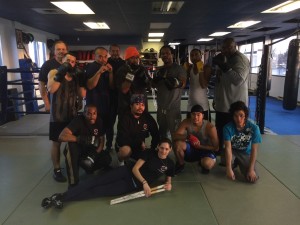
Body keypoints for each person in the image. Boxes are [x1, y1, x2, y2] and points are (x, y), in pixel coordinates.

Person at [41, 138, 174, 209]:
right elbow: (135, 169)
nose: (163, 151)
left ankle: (63, 198)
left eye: (166, 149)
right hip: (126, 172)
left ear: (170, 150)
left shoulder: (169, 163)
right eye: (161, 148)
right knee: (94, 182)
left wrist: (168, 184)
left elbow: (169, 175)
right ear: (158, 147)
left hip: (130, 186)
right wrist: (145, 183)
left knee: (97, 191)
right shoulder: (149, 153)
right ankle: (61, 197)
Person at [47, 53, 86, 182]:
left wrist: (81, 79)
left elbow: (83, 94)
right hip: (57, 115)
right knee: (56, 142)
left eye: (73, 61)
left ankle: (73, 163)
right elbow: (51, 89)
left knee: (72, 141)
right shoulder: (54, 72)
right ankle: (57, 169)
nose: (70, 63)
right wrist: (61, 73)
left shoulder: (75, 75)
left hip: (72, 114)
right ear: (62, 61)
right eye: (67, 60)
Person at [212, 38, 250, 164]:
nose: (226, 50)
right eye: (223, 48)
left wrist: (224, 67)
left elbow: (238, 80)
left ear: (235, 46)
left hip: (235, 106)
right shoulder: (226, 58)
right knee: (221, 131)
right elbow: (222, 82)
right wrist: (216, 98)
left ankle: (235, 159)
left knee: (234, 134)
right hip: (223, 104)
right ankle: (225, 155)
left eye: (229, 47)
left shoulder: (240, 59)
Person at [58, 104, 112, 188]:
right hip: (77, 149)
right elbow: (61, 136)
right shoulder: (78, 121)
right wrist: (79, 139)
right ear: (84, 113)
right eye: (89, 114)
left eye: (94, 113)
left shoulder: (99, 121)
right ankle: (73, 183)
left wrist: (94, 155)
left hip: (90, 150)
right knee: (70, 146)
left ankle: (88, 168)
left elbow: (102, 140)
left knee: (107, 158)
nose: (92, 116)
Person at [152, 45, 187, 139]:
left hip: (173, 110)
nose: (165, 55)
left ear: (172, 55)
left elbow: (183, 83)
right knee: (162, 135)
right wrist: (152, 79)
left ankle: (178, 153)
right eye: (163, 54)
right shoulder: (159, 70)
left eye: (167, 53)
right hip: (161, 109)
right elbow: (153, 86)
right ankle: (164, 153)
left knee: (176, 136)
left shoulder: (179, 69)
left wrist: (175, 82)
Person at [173, 104, 219, 174]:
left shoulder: (210, 127)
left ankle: (202, 162)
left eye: (198, 115)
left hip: (205, 150)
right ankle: (181, 164)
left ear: (203, 116)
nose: (195, 117)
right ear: (190, 115)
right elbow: (175, 136)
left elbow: (216, 148)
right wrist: (187, 137)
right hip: (191, 149)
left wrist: (200, 146)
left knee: (207, 164)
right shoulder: (186, 122)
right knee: (178, 144)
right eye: (193, 114)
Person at [224, 101, 262, 183]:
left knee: (253, 179)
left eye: (241, 115)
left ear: (245, 115)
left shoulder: (254, 128)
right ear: (232, 116)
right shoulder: (227, 128)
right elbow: (227, 148)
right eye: (235, 116)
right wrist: (228, 169)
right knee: (225, 162)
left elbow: (254, 150)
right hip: (232, 151)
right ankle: (233, 164)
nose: (238, 119)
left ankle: (241, 164)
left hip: (245, 153)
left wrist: (251, 169)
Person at [115, 94, 159, 164]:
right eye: (137, 104)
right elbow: (122, 140)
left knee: (150, 160)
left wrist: (152, 149)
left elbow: (155, 133)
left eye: (142, 105)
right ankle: (120, 161)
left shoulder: (147, 117)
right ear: (131, 106)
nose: (140, 107)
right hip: (125, 146)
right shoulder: (124, 118)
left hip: (139, 147)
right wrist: (139, 142)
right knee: (125, 151)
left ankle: (133, 158)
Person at [86, 47, 113, 150]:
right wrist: (99, 72)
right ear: (95, 56)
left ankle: (108, 148)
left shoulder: (106, 67)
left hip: (106, 104)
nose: (103, 59)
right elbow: (90, 86)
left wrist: (111, 72)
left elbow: (111, 86)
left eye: (105, 56)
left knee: (107, 127)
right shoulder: (91, 67)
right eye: (100, 56)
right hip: (94, 104)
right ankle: (95, 150)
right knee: (96, 129)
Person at [116, 46, 150, 117]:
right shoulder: (121, 70)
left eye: (137, 58)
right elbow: (124, 90)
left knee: (143, 126)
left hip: (141, 105)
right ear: (127, 59)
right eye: (132, 58)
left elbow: (149, 86)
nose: (135, 60)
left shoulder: (142, 69)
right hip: (126, 106)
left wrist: (147, 80)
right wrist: (131, 74)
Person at [38, 40, 68, 112]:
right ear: (54, 52)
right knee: (56, 123)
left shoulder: (71, 64)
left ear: (66, 51)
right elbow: (41, 85)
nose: (61, 51)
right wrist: (46, 103)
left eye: (63, 49)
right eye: (58, 49)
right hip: (54, 102)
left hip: (69, 102)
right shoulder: (47, 65)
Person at [107, 44, 125, 150]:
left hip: (122, 98)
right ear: (110, 52)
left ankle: (119, 144)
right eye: (113, 51)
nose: (115, 53)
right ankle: (108, 144)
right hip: (110, 98)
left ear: (119, 51)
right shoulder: (106, 63)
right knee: (110, 123)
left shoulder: (124, 64)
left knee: (122, 123)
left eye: (117, 51)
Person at [185, 49, 212, 120]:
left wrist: (200, 69)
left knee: (204, 129)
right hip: (191, 104)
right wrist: (185, 71)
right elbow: (185, 83)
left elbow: (203, 85)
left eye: (196, 54)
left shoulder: (206, 68)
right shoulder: (190, 68)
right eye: (192, 55)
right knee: (190, 128)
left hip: (203, 105)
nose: (194, 57)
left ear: (201, 55)